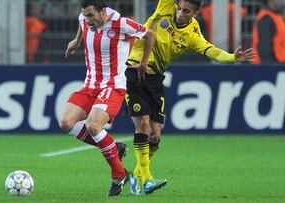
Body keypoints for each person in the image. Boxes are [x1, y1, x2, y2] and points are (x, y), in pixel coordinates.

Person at [126, 0, 254, 195]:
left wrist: (232, 58)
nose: (179, 13)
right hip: (136, 70)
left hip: (156, 79)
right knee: (142, 124)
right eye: (179, 8)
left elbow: (212, 51)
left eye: (185, 11)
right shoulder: (165, 7)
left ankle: (136, 174)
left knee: (155, 135)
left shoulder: (193, 34)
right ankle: (147, 179)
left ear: (195, 13)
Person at [59, 0, 155, 197]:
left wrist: (144, 63)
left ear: (102, 11)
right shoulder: (84, 18)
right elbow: (81, 23)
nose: (87, 19)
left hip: (113, 86)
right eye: (85, 15)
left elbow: (149, 34)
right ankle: (114, 147)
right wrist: (77, 41)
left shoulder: (121, 24)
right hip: (90, 85)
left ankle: (118, 175)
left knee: (93, 126)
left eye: (91, 15)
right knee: (66, 123)